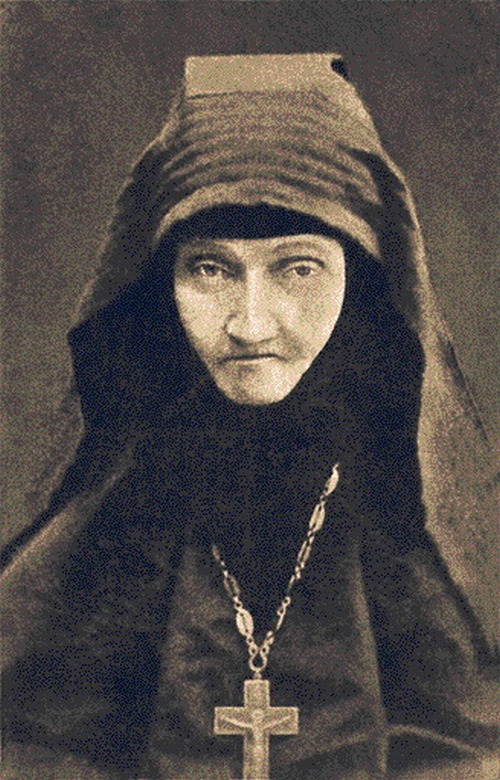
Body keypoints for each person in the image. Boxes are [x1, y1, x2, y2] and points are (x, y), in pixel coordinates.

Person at [1, 53, 498, 780]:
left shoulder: (404, 516)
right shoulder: (121, 512)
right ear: (163, 284)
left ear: (359, 279)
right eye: (210, 268)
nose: (249, 323)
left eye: (298, 268)